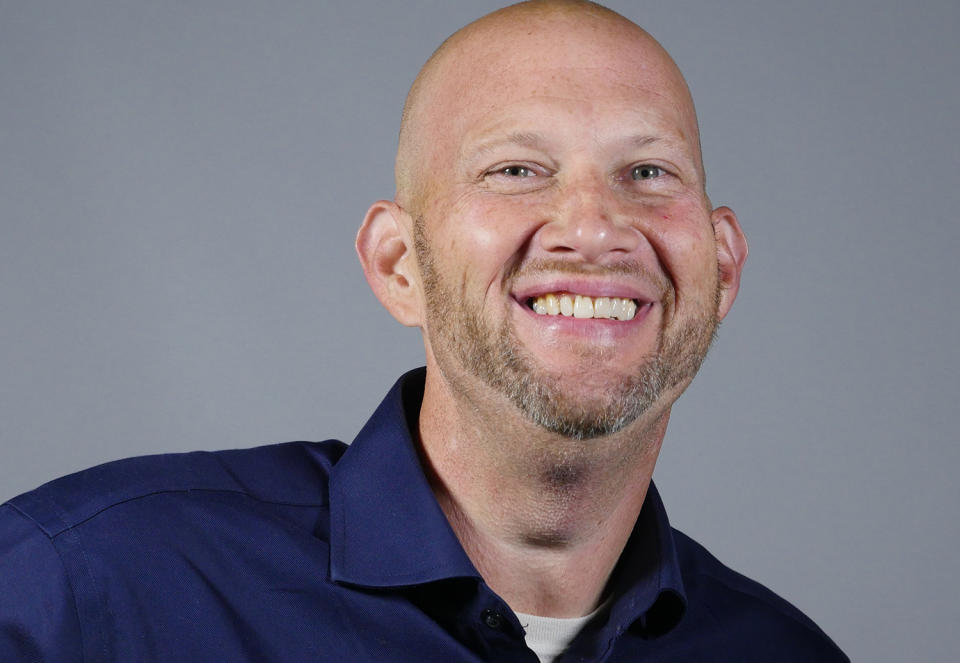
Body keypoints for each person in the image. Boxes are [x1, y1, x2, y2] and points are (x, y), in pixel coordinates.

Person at [0, 1, 848, 661]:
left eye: (649, 172)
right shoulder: (90, 582)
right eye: (516, 170)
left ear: (723, 265)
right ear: (399, 264)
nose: (593, 227)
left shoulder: (786, 657)